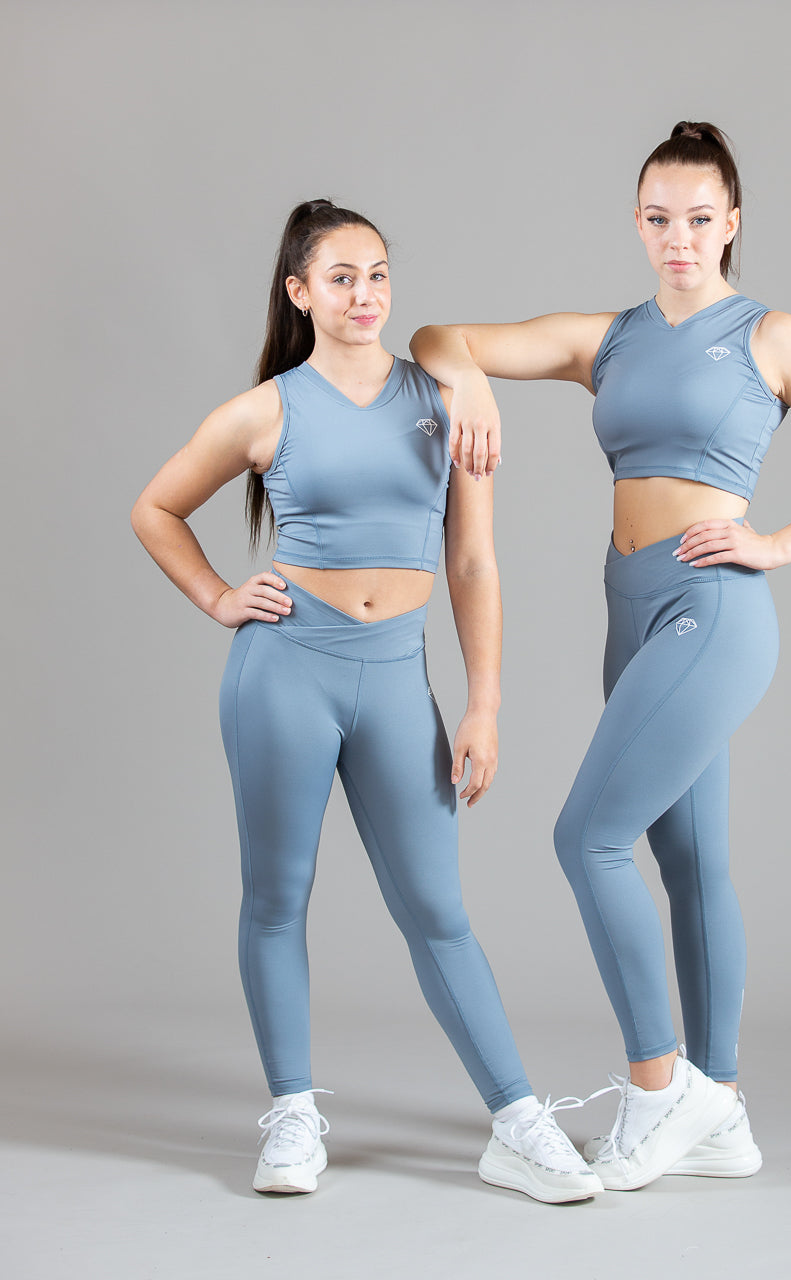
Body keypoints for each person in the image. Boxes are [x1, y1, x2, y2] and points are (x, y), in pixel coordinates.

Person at [410, 122, 791, 1192]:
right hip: (628, 610)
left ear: (731, 224)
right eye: (657, 218)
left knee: (588, 837)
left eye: (697, 218)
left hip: (711, 608)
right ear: (637, 223)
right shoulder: (609, 339)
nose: (678, 237)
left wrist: (776, 544)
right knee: (687, 861)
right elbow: (439, 336)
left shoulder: (772, 337)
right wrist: (472, 386)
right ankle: (720, 1112)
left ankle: (658, 1087)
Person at [130, 199, 604, 1204]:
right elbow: (156, 507)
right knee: (277, 897)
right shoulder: (267, 409)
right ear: (300, 293)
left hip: (395, 678)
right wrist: (218, 596)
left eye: (377, 273)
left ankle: (518, 1121)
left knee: (438, 909)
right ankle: (292, 1117)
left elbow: (472, 562)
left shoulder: (444, 397)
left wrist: (484, 703)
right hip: (284, 673)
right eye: (341, 277)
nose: (365, 294)